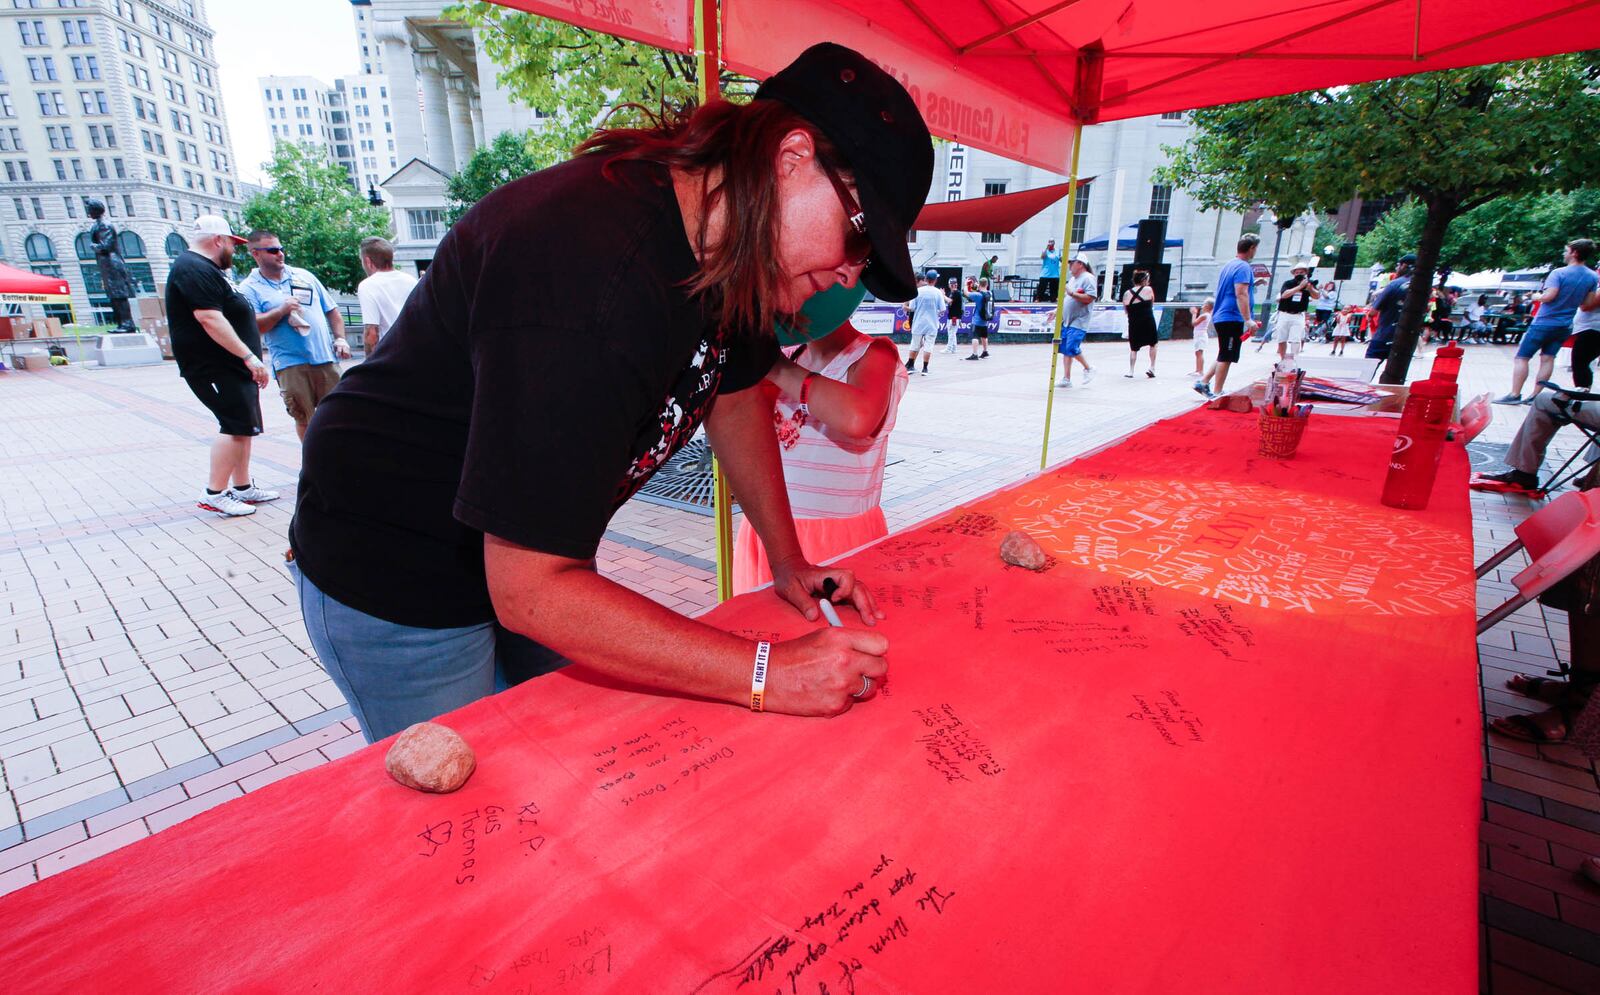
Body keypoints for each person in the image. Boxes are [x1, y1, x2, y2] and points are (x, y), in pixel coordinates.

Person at [288, 43, 930, 741]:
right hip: (397, 561)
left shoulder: (737, 256)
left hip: (525, 556)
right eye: (859, 240)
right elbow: (532, 590)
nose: (850, 278)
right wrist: (767, 673)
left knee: (559, 765)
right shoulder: (588, 269)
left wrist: (788, 560)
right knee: (483, 806)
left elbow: (737, 394)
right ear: (791, 157)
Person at [733, 282, 908, 594]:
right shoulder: (791, 354)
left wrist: (774, 367)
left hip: (838, 537)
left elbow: (858, 418)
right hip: (770, 530)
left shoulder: (875, 354)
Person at [166, 215, 275, 518]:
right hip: (215, 365)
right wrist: (249, 356)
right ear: (218, 240)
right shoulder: (193, 268)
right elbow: (209, 318)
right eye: (231, 243)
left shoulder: (206, 270)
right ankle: (214, 492)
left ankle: (242, 486)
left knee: (244, 425)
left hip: (231, 365)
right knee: (234, 424)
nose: (233, 250)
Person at [238, 230, 352, 441]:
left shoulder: (304, 276)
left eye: (281, 249)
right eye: (272, 250)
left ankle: (341, 462)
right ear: (256, 254)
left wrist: (340, 338)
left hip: (325, 358)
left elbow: (332, 311)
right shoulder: (249, 288)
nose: (280, 254)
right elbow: (253, 326)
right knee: (304, 418)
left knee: (339, 415)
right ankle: (316, 465)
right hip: (291, 364)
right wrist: (280, 311)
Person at [1495, 240, 1598, 406]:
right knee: (1548, 358)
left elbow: (1549, 296)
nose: (1564, 253)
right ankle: (1534, 396)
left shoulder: (1559, 273)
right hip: (1565, 325)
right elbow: (1587, 302)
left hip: (1544, 322)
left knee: (1522, 358)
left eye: (1566, 251)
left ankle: (1515, 394)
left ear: (1574, 253)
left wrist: (1536, 296)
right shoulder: (1592, 276)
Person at [1196, 233, 1260, 398]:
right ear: (1251, 248)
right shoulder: (1244, 267)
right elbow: (1241, 293)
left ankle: (1204, 382)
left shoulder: (1230, 264)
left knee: (1225, 352)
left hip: (1224, 315)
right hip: (1232, 316)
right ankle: (1217, 392)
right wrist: (1248, 319)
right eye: (1255, 249)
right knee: (1227, 354)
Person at [356, 236, 417, 354]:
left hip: (392, 354)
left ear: (368, 261)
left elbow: (372, 333)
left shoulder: (368, 285)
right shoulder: (410, 280)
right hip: (415, 350)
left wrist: (370, 366)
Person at [1363, 253, 1414, 362]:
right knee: (1395, 373)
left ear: (1404, 266)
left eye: (1398, 265)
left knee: (1368, 368)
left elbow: (1373, 311)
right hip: (1407, 339)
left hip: (1385, 335)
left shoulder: (1394, 284)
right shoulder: (1423, 287)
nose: (1397, 268)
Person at [1056, 256, 1099, 388]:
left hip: (1079, 320)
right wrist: (1056, 311)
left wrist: (1073, 294)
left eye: (1071, 263)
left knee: (1071, 347)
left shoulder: (1088, 278)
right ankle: (1066, 378)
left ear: (1080, 264)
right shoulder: (1073, 279)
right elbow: (1067, 300)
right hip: (1068, 320)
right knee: (1065, 349)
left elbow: (1090, 297)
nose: (1069, 266)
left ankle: (1088, 368)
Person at [1271, 260, 1318, 361]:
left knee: (1296, 339)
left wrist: (1310, 288)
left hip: (1298, 315)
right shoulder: (1288, 283)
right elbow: (1284, 294)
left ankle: (1293, 360)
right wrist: (1299, 287)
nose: (1299, 274)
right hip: (1284, 313)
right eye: (1297, 272)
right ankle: (1283, 359)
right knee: (1281, 338)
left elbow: (1317, 296)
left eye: (1301, 272)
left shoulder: (1308, 283)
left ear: (1305, 273)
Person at [905, 270, 944, 377]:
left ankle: (910, 365)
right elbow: (942, 309)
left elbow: (912, 308)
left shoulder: (918, 291)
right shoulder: (938, 292)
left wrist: (905, 306)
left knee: (915, 344)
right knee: (928, 346)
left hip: (918, 322)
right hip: (932, 323)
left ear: (926, 279)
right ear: (935, 280)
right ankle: (925, 368)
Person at [1123, 268, 1158, 378]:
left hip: (1133, 322)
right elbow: (1152, 302)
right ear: (1144, 280)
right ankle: (1152, 367)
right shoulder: (1148, 289)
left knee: (1134, 348)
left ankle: (1131, 371)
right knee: (1153, 343)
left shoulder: (1127, 293)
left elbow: (1126, 310)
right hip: (1148, 320)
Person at [1570, 283, 1600, 388]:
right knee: (1582, 363)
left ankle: (1582, 393)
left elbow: (1586, 306)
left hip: (1592, 330)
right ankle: (1583, 391)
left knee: (1580, 364)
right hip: (1591, 330)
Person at [966, 276, 993, 360]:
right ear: (987, 284)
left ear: (980, 284)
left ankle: (975, 354)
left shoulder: (978, 295)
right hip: (985, 319)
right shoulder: (990, 293)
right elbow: (982, 290)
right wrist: (979, 286)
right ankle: (985, 351)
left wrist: (965, 284)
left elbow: (966, 293)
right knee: (984, 336)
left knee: (975, 337)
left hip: (977, 320)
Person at [1189, 298, 1213, 380]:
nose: (1202, 306)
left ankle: (1200, 371)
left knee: (1199, 353)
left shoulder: (1204, 315)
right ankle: (1198, 370)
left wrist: (1194, 314)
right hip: (1199, 335)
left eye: (1204, 304)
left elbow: (1194, 323)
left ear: (1207, 306)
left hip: (1200, 336)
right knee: (1198, 353)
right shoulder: (1207, 315)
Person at [942, 276, 964, 354]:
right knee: (952, 333)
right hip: (954, 316)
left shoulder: (956, 293)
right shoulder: (954, 293)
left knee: (951, 333)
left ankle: (949, 348)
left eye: (953, 284)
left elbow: (949, 301)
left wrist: (943, 295)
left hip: (954, 317)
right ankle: (953, 348)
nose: (953, 285)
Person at [1037, 238, 1062, 302]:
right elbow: (1042, 257)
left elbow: (1061, 259)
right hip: (1045, 273)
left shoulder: (1057, 251)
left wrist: (1062, 258)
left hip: (1054, 274)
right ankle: (1038, 299)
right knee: (1042, 288)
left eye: (1052, 242)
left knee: (1054, 290)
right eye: (1049, 241)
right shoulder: (1045, 250)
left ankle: (1053, 299)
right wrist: (1046, 248)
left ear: (1054, 243)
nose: (1050, 243)